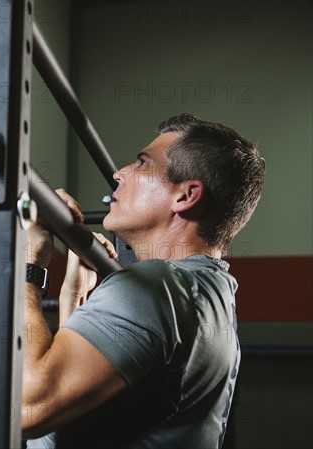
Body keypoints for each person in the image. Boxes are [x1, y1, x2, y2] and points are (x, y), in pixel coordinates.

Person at [22, 113, 266, 448]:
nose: (118, 174)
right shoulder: (210, 291)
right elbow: (80, 402)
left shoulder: (157, 285)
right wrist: (73, 299)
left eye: (140, 163)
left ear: (185, 196)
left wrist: (30, 264)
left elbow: (27, 407)